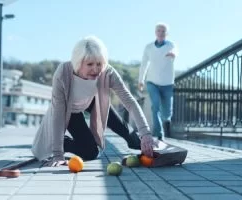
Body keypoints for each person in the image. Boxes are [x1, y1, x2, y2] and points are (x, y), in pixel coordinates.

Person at [31, 36, 156, 167]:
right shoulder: (63, 73)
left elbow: (129, 101)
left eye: (99, 64)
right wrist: (58, 154)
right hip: (70, 109)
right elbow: (58, 114)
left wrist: (146, 133)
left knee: (124, 129)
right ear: (78, 63)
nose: (95, 69)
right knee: (90, 152)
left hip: (92, 100)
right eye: (90, 64)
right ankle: (63, 142)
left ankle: (142, 144)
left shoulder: (108, 72)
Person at [139, 22, 178, 141]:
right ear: (155, 32)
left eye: (163, 31)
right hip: (152, 82)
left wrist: (173, 54)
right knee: (155, 107)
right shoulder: (149, 47)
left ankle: (166, 121)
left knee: (166, 113)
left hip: (167, 83)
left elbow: (176, 51)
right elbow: (144, 64)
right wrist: (141, 80)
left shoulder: (171, 45)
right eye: (159, 31)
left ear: (167, 33)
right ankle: (159, 134)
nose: (161, 33)